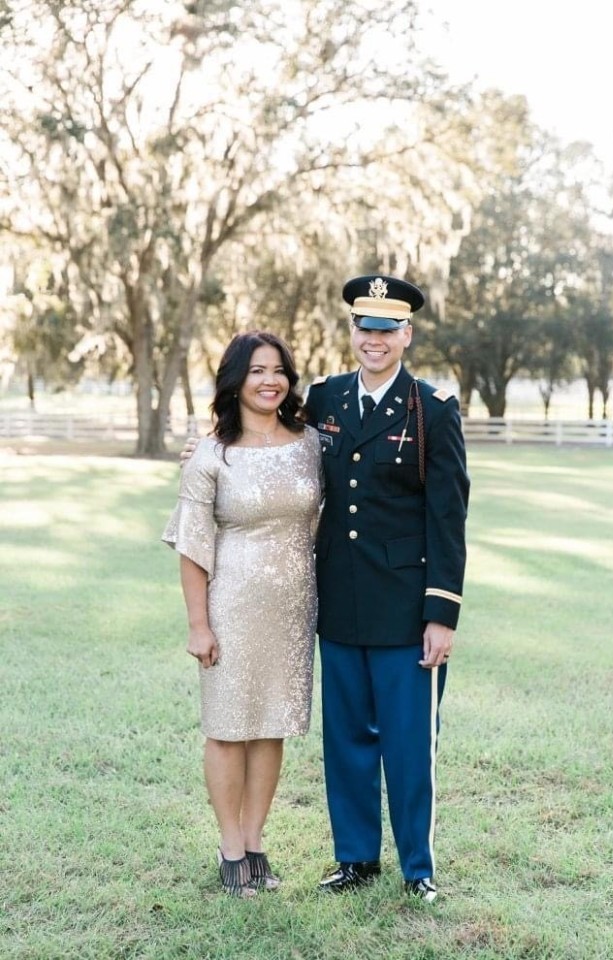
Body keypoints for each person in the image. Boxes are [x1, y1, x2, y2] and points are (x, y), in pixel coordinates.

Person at [181, 274, 469, 902]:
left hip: (405, 605)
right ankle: (356, 858)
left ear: (406, 335)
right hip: (336, 603)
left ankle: (417, 868)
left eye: (388, 329)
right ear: (353, 332)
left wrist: (441, 613)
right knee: (346, 745)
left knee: (409, 745)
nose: (375, 339)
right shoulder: (326, 401)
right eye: (365, 328)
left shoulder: (434, 408)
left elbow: (447, 517)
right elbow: (265, 443)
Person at [163, 330, 322, 898]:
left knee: (271, 725)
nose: (269, 380)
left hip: (294, 607)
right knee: (229, 730)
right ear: (236, 380)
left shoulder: (309, 443)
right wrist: (198, 623)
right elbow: (191, 544)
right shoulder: (210, 454)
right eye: (256, 370)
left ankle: (256, 843)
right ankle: (230, 848)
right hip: (230, 605)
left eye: (278, 369)